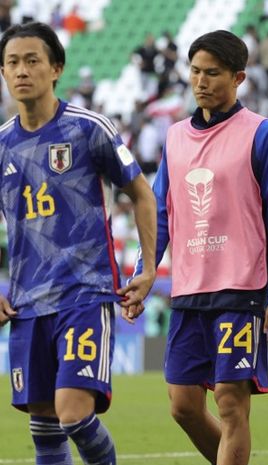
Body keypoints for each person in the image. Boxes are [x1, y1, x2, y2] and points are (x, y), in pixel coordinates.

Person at [134, 30, 268, 465]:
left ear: (238, 77)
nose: (201, 81)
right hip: (188, 289)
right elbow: (160, 212)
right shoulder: (174, 138)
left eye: (212, 73)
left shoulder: (263, 135)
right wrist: (145, 270)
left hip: (242, 289)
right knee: (183, 405)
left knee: (229, 402)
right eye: (195, 71)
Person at [0, 22, 157, 465]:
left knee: (73, 414)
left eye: (32, 60)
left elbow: (142, 194)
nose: (21, 71)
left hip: (84, 296)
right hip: (27, 304)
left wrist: (146, 268)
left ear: (56, 69)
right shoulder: (2, 146)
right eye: (12, 62)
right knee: (44, 428)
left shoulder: (88, 129)